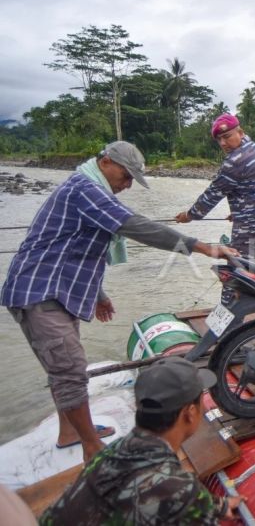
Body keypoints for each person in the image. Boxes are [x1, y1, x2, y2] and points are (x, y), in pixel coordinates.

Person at [0, 141, 239, 463]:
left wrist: (97, 294)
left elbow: (77, 248)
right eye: (126, 176)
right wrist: (202, 247)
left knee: (63, 368)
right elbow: (134, 226)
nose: (127, 185)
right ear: (106, 162)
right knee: (69, 369)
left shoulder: (90, 189)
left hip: (58, 289)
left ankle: (69, 431)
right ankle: (91, 449)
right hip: (39, 290)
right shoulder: (84, 188)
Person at [40, 357, 243, 524]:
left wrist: (220, 506)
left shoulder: (112, 452)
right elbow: (174, 495)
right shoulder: (177, 489)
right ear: (190, 413)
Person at [175, 113, 255, 303]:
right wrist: (239, 212)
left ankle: (225, 329)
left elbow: (211, 197)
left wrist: (188, 215)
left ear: (240, 132)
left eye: (227, 137)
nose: (223, 143)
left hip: (252, 234)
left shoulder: (235, 161)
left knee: (235, 285)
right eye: (219, 139)